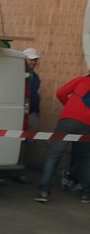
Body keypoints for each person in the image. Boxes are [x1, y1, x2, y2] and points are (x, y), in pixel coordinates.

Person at [34, 71, 90, 204]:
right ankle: (85, 194)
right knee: (86, 159)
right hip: (87, 124)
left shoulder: (80, 79)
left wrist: (70, 106)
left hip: (67, 120)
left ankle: (43, 192)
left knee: (54, 155)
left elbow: (60, 93)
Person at [24, 48, 41, 130]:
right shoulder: (18, 74)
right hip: (20, 113)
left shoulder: (35, 77)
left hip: (32, 113)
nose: (33, 62)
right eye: (31, 59)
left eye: (35, 60)